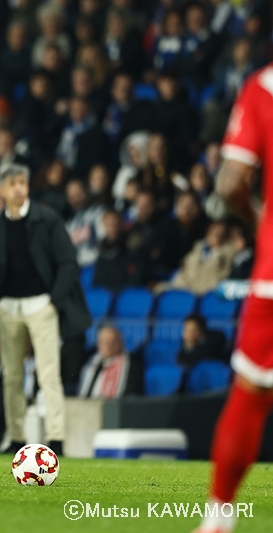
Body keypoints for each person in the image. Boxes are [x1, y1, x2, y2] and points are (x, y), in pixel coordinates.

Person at [195, 62, 273, 533]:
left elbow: (228, 183)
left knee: (251, 394)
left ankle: (218, 519)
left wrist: (260, 221)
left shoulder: (264, 87)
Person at [0, 164, 92, 457]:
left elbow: (69, 261)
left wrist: (53, 301)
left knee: (48, 374)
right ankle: (17, 438)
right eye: (13, 184)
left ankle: (56, 439)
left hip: (41, 304)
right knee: (12, 376)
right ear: (1, 190)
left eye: (23, 182)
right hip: (8, 308)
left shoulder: (47, 218)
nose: (19, 188)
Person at [78, 326, 143, 399]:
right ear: (98, 344)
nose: (108, 345)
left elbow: (130, 392)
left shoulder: (131, 364)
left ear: (121, 343)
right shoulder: (91, 363)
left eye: (112, 342)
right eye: (104, 342)